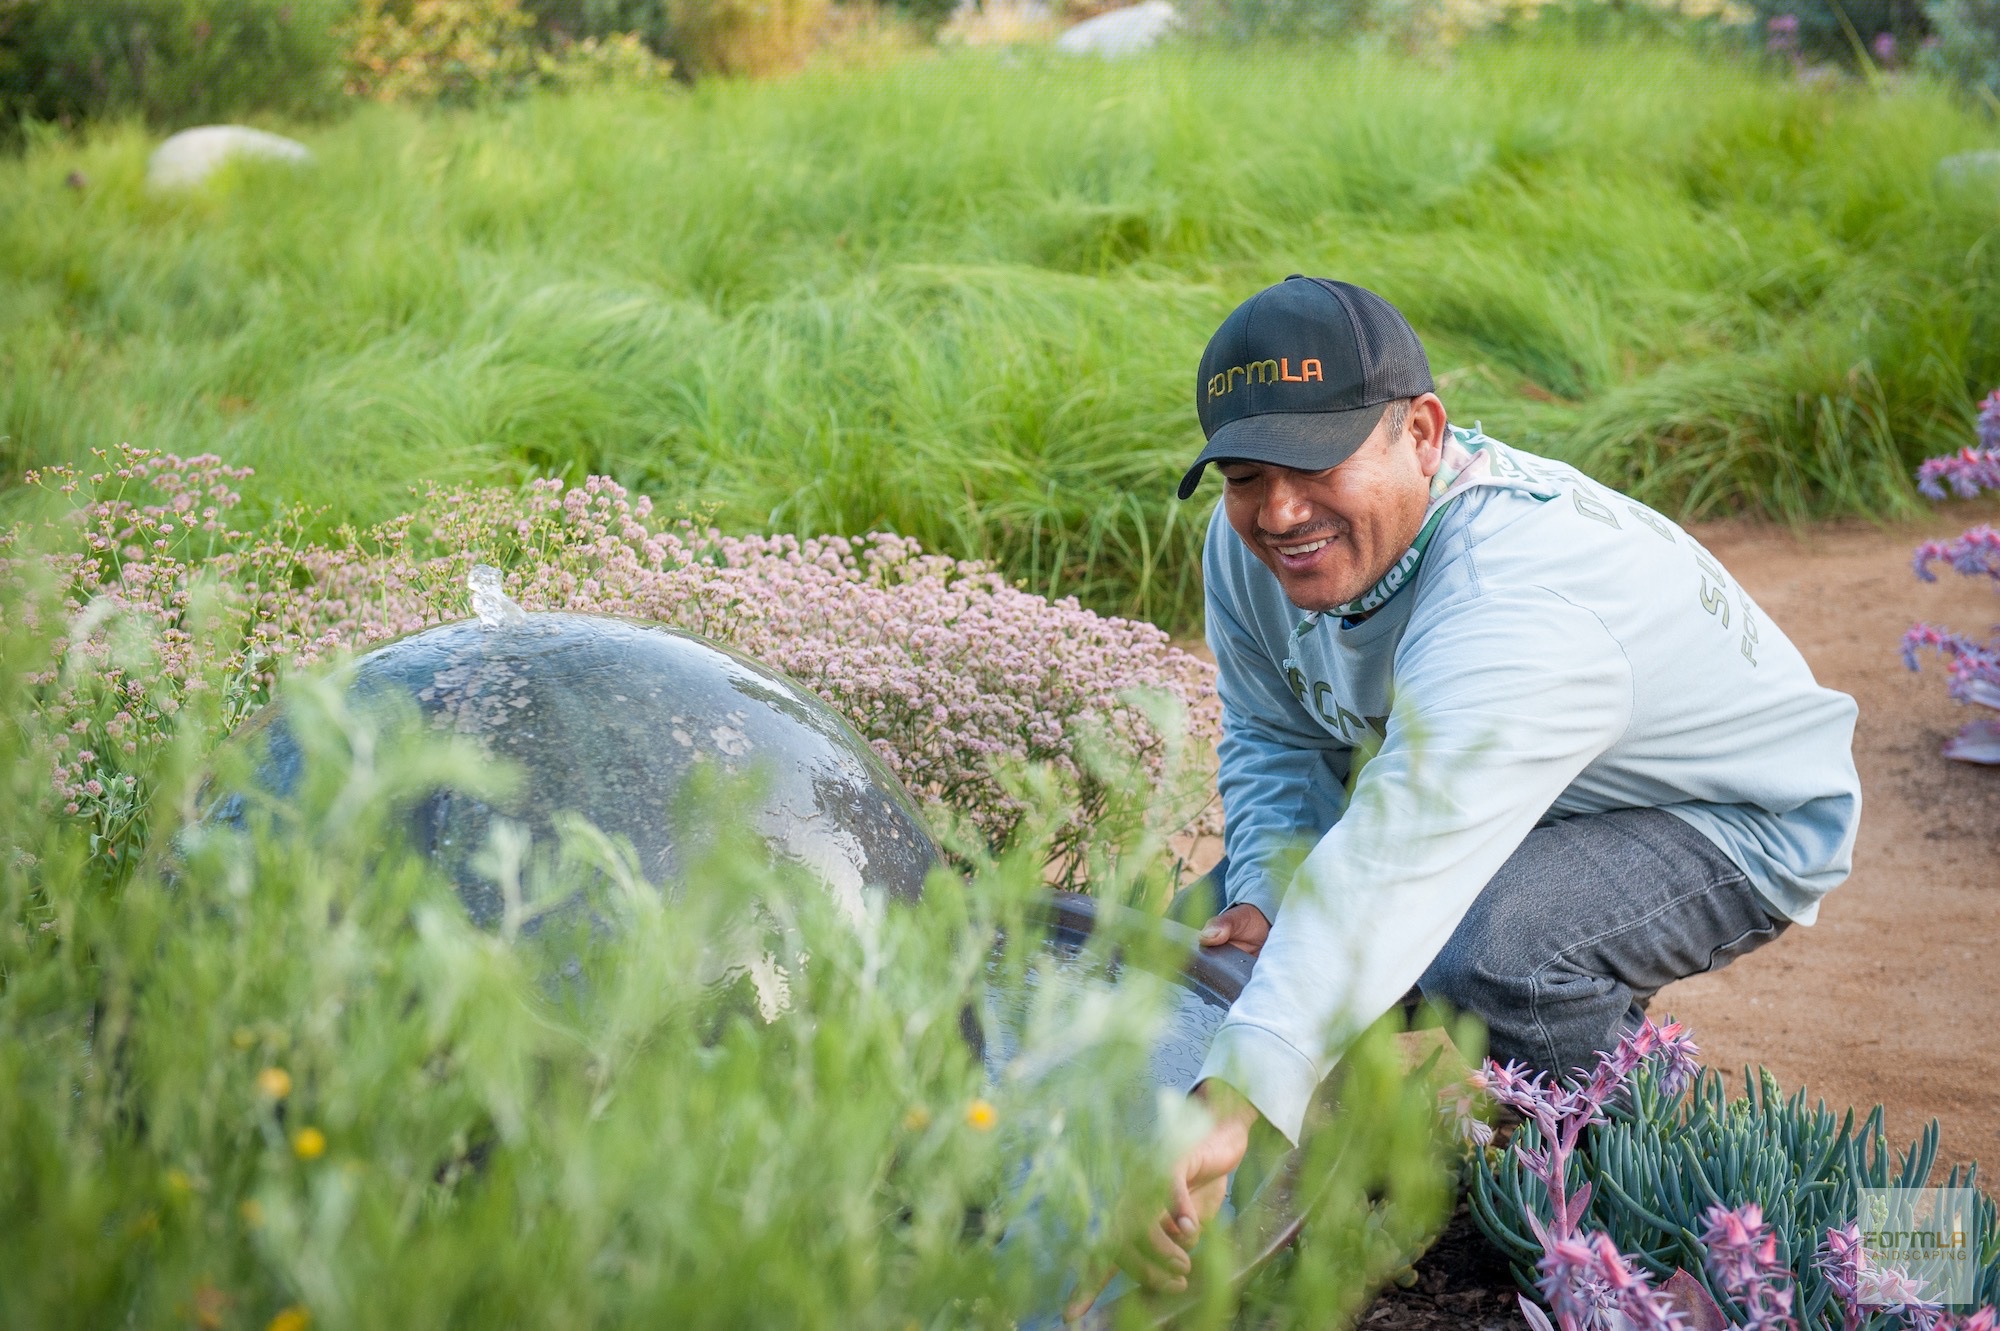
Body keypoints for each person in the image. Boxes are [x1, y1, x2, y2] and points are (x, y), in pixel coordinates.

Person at [1133, 276, 1860, 1291]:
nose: (1278, 509)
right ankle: (1294, 1168)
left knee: (1499, 947)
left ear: (1422, 433)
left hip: (1727, 815)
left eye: (1312, 460)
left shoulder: (1516, 598)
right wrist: (1259, 883)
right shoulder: (1251, 543)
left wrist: (1229, 1099)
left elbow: (1394, 859)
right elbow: (1271, 732)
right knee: (1205, 949)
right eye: (1245, 473)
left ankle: (1604, 1194)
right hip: (1501, 780)